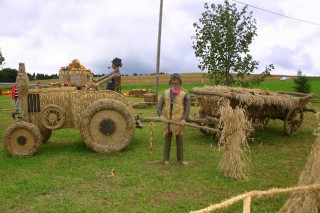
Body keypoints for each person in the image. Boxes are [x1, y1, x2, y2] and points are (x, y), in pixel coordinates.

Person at [157, 73, 190, 165]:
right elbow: (159, 107)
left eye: (177, 82)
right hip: (167, 120)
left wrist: (184, 119)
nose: (175, 83)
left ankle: (180, 159)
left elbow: (187, 109)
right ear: (170, 82)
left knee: (179, 139)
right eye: (173, 81)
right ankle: (165, 159)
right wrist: (161, 116)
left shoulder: (184, 94)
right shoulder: (165, 93)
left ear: (180, 82)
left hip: (179, 121)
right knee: (167, 139)